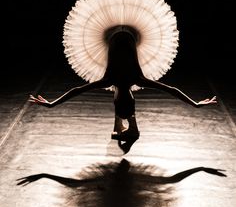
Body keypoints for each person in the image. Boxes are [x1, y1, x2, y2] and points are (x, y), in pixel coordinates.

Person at [30, 25, 217, 149]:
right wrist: (195, 104)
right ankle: (125, 123)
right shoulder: (115, 80)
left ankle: (125, 123)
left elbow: (171, 90)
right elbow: (172, 90)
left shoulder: (132, 79)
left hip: (128, 34)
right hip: (118, 34)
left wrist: (196, 104)